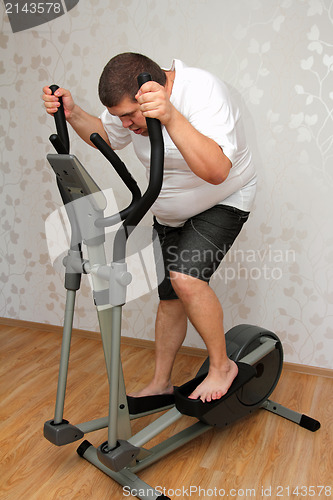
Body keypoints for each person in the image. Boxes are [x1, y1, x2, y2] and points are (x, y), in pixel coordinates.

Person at [42, 52, 256, 403]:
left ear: (155, 89)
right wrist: (74, 113)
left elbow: (218, 172)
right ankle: (161, 382)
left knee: (186, 279)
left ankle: (222, 367)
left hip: (223, 198)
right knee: (170, 297)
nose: (126, 124)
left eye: (129, 115)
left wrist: (169, 116)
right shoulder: (131, 114)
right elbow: (107, 138)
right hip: (168, 209)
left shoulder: (203, 92)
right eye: (119, 117)